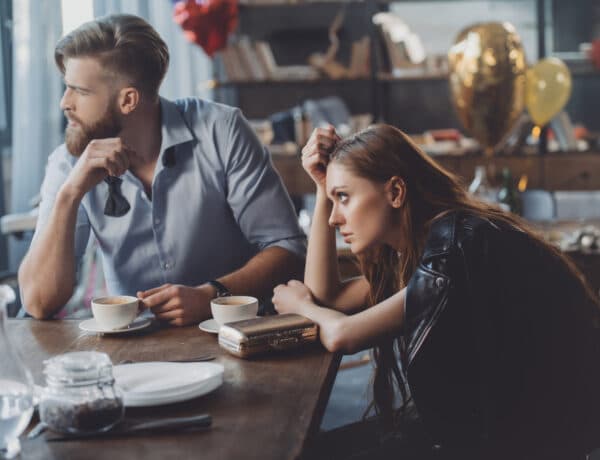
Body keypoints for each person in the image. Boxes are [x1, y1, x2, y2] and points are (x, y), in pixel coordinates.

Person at [272, 124, 600, 459]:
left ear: (396, 192)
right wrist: (321, 185)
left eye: (343, 197)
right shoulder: (420, 244)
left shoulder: (454, 249)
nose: (333, 219)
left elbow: (343, 334)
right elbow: (330, 298)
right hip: (488, 426)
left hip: (522, 441)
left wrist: (300, 305)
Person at [18, 14, 305, 325]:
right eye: (66, 87)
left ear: (128, 100)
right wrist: (70, 193)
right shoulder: (69, 162)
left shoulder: (221, 131)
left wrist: (213, 295)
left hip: (234, 332)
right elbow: (38, 303)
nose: (64, 102)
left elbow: (287, 249)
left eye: (80, 91)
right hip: (131, 348)